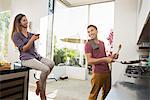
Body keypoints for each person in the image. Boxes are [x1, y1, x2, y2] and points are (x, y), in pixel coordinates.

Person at [11, 13, 55, 100]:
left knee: (51, 63)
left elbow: (33, 42)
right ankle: (43, 94)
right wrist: (32, 39)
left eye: (26, 19)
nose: (26, 21)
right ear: (19, 23)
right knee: (46, 69)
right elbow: (24, 49)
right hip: (26, 59)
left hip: (35, 56)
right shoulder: (16, 35)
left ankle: (39, 83)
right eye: (24, 20)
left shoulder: (30, 34)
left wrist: (36, 37)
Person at [84, 25, 118, 100]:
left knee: (107, 93)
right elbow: (89, 61)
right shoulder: (88, 44)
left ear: (96, 31)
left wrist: (112, 56)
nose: (90, 33)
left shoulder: (102, 43)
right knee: (93, 95)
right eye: (88, 32)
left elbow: (104, 56)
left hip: (107, 72)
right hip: (97, 73)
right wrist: (105, 59)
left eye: (92, 30)